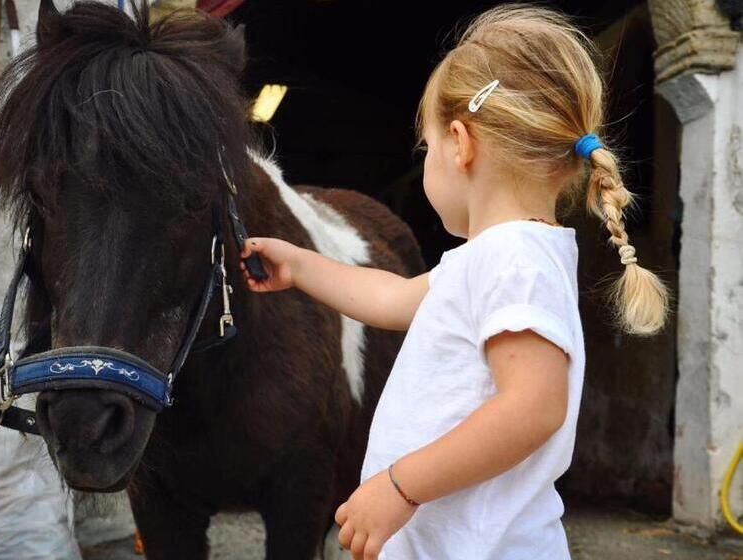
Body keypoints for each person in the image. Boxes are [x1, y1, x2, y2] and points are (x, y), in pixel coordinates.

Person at [239, 5, 669, 559]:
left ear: (461, 144)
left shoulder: (515, 259)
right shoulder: (491, 258)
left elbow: (534, 407)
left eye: (428, 147)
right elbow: (391, 297)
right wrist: (300, 265)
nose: (427, 162)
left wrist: (401, 486)